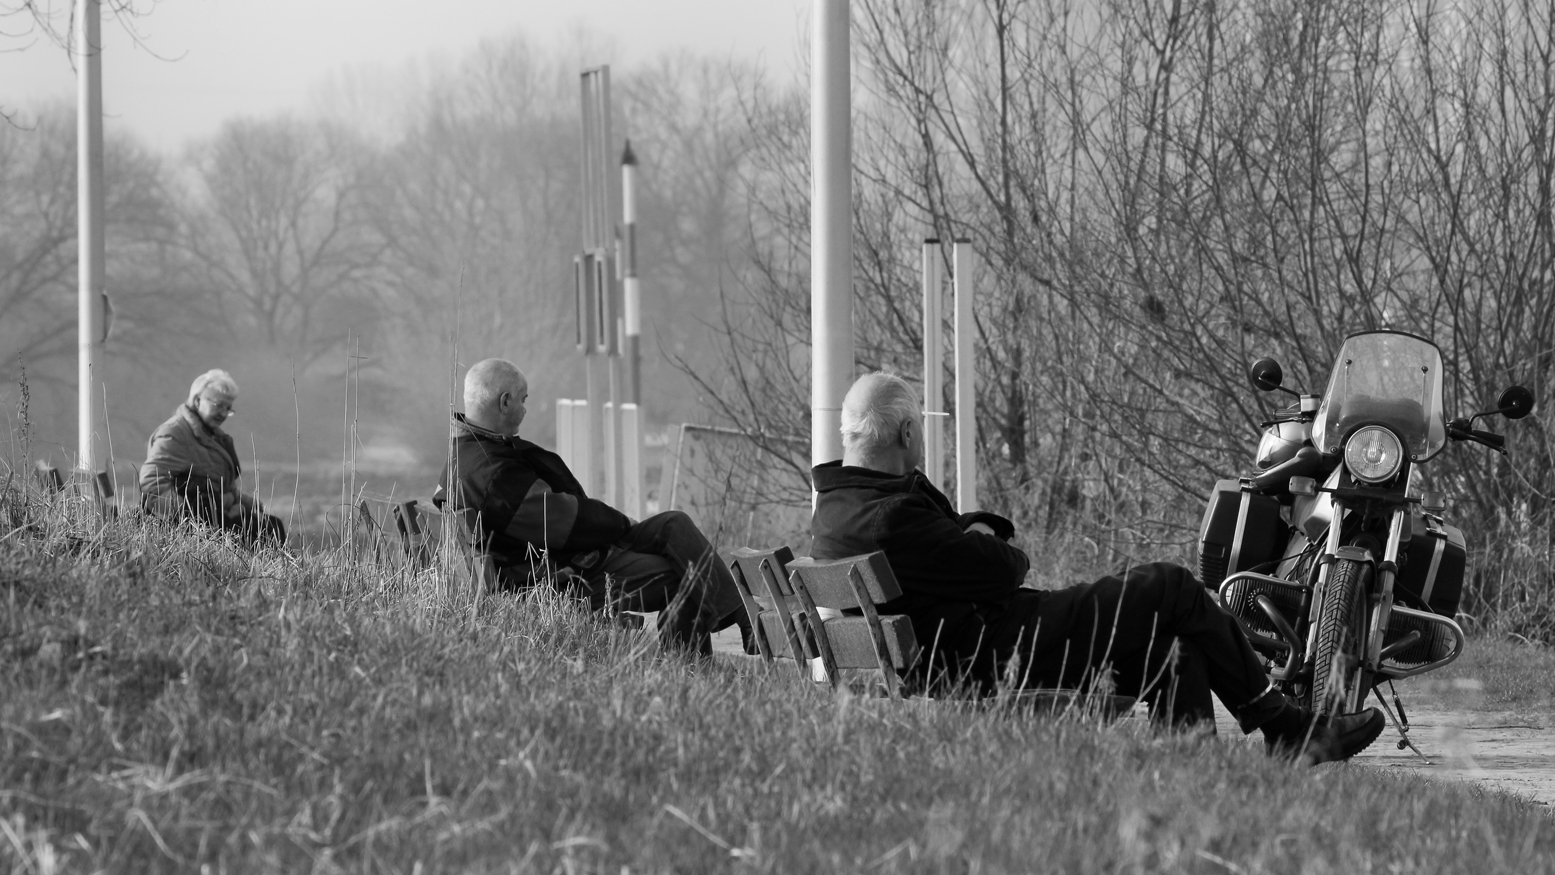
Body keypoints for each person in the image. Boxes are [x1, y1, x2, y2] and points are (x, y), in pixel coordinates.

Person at [810, 371, 1386, 764]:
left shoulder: (838, 509)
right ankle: (1284, 727)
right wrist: (977, 534)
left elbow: (969, 551)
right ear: (908, 432)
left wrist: (968, 535)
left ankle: (1194, 776)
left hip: (963, 649)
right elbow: (1005, 565)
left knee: (1172, 646)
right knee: (1170, 584)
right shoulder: (895, 515)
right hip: (997, 651)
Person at [434, 358, 748, 656]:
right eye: (523, 399)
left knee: (673, 524)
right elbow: (565, 523)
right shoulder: (493, 474)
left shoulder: (464, 454)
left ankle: (742, 620)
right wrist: (621, 525)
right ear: (504, 402)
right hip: (561, 579)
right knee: (686, 573)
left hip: (550, 562)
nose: (525, 409)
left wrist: (618, 525)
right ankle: (692, 663)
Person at [140, 369, 285, 546]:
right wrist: (187, 520)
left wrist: (250, 504)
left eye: (228, 408)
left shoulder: (214, 437)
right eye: (218, 405)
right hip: (202, 524)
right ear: (197, 400)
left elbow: (224, 487)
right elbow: (152, 483)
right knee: (267, 532)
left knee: (271, 526)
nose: (223, 414)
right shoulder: (174, 433)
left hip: (220, 515)